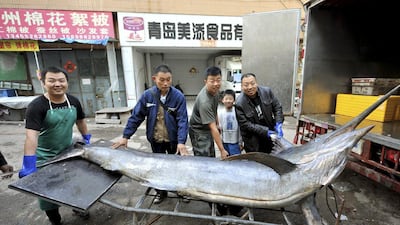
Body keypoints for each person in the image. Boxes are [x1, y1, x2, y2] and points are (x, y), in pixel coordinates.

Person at [18, 66, 91, 225]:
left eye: (61, 80)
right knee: (48, 195)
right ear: (44, 83)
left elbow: (80, 121)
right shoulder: (37, 106)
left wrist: (87, 138)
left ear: (67, 82)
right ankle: (55, 220)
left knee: (74, 183)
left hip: (68, 152)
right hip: (45, 157)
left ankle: (77, 207)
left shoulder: (73, 101)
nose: (57, 84)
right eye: (51, 80)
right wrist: (29, 164)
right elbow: (31, 137)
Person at [112, 64, 189, 204]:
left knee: (177, 167)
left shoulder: (178, 97)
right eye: (162, 80)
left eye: (168, 79)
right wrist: (125, 137)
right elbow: (136, 117)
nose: (165, 83)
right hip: (156, 139)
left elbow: (183, 120)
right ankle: (161, 192)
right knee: (157, 168)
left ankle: (180, 191)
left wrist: (181, 142)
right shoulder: (148, 96)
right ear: (155, 79)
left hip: (173, 141)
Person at [235, 73, 284, 153]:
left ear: (256, 83)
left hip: (270, 134)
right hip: (253, 139)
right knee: (256, 161)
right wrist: (265, 132)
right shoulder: (239, 103)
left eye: (252, 83)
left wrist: (278, 123)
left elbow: (277, 107)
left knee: (272, 157)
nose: (250, 87)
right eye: (246, 85)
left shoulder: (267, 92)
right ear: (242, 86)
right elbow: (246, 125)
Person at [189, 66, 229, 159]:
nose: (216, 84)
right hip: (199, 131)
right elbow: (213, 128)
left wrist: (218, 123)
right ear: (205, 81)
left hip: (207, 127)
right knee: (204, 158)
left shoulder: (215, 91)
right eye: (212, 81)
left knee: (211, 153)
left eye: (218, 80)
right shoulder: (204, 101)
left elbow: (214, 110)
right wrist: (222, 150)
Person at [218, 89, 242, 156]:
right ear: (222, 100)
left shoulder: (237, 112)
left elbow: (240, 128)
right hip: (224, 142)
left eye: (230, 99)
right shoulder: (220, 113)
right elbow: (219, 128)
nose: (228, 101)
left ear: (234, 100)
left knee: (236, 160)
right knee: (226, 159)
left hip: (235, 142)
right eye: (226, 99)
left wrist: (240, 142)